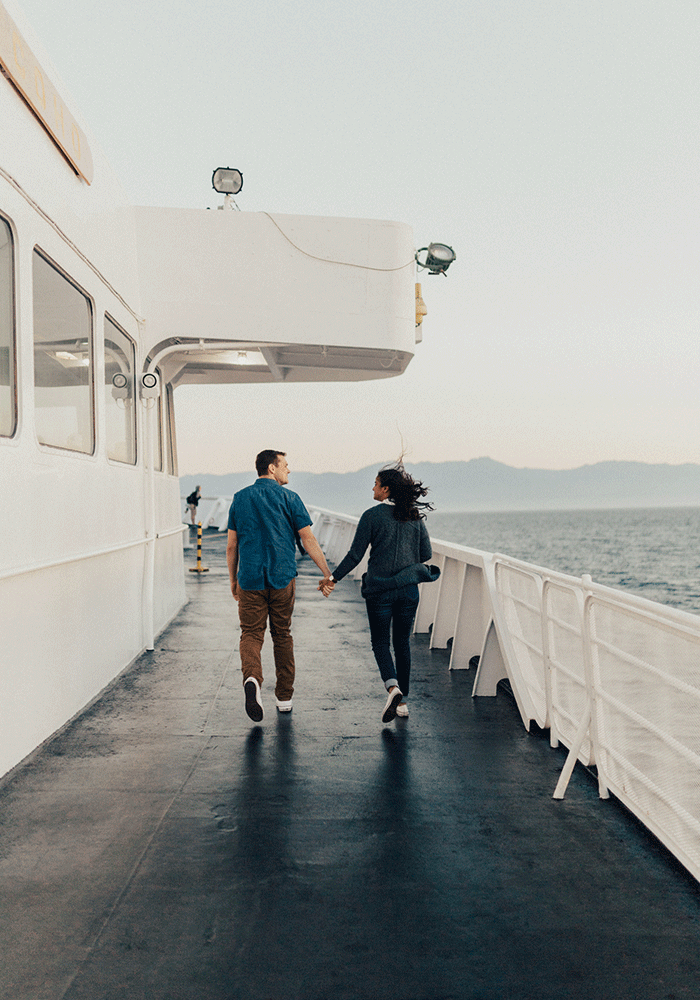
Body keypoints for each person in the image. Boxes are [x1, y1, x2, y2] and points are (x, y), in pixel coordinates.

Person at [319, 463, 439, 723]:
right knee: (402, 643)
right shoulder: (414, 517)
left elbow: (355, 555)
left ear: (386, 490)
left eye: (375, 483)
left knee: (380, 643)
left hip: (380, 591)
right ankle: (403, 702)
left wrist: (332, 578)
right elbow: (426, 554)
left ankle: (392, 687)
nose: (372, 487)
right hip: (408, 591)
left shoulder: (372, 516)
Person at [227, 450, 333, 722]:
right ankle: (284, 697)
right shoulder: (291, 498)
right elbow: (308, 539)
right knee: (282, 634)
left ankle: (252, 678)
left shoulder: (240, 499)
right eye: (285, 465)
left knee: (251, 634)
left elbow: (231, 546)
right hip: (282, 576)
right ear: (272, 468)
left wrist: (233, 580)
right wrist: (326, 573)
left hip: (249, 579)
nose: (289, 469)